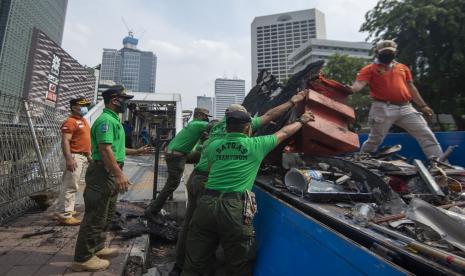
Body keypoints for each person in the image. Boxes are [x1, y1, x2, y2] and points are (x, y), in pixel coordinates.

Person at [170, 91, 309, 276]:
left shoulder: (212, 146)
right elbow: (283, 133)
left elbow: (212, 168)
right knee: (239, 262)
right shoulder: (256, 145)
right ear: (247, 128)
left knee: (195, 261)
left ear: (227, 127)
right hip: (234, 208)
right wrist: (302, 120)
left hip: (207, 202)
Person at [72, 85, 151, 272]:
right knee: (95, 216)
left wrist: (137, 151)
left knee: (106, 214)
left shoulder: (114, 120)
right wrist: (119, 174)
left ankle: (97, 247)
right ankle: (82, 258)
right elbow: (104, 149)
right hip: (103, 173)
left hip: (109, 172)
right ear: (115, 100)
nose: (126, 104)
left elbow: (116, 149)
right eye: (125, 100)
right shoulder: (106, 121)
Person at [351, 39, 443, 159]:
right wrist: (349, 89)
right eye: (385, 52)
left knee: (426, 134)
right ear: (377, 52)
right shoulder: (369, 69)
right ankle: (361, 162)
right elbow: (358, 85)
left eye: (391, 51)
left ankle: (441, 166)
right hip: (382, 107)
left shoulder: (403, 68)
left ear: (395, 52)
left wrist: (423, 106)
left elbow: (411, 87)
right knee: (375, 140)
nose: (388, 54)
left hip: (406, 107)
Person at [144, 107, 212, 222]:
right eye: (205, 116)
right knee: (172, 184)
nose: (206, 119)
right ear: (200, 115)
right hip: (177, 156)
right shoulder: (199, 124)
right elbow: (217, 125)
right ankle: (152, 211)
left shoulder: (194, 124)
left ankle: (198, 173)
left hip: (178, 153)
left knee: (199, 156)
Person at [54, 97, 92, 226]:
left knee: (71, 184)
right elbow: (65, 141)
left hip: (81, 156)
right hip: (74, 156)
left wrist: (88, 155)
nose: (85, 107)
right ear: (74, 107)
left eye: (86, 105)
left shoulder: (83, 121)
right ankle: (65, 215)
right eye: (82, 105)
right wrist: (69, 159)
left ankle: (63, 210)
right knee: (70, 185)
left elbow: (84, 141)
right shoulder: (70, 122)